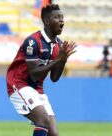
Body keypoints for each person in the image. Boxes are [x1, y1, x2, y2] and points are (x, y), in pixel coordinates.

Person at [6, 4, 76, 136]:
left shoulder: (59, 45)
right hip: (19, 84)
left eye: (62, 17)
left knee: (53, 133)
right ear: (47, 21)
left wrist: (63, 60)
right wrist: (57, 60)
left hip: (37, 89)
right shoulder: (33, 41)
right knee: (42, 120)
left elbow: (54, 78)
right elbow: (34, 74)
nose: (61, 20)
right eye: (57, 17)